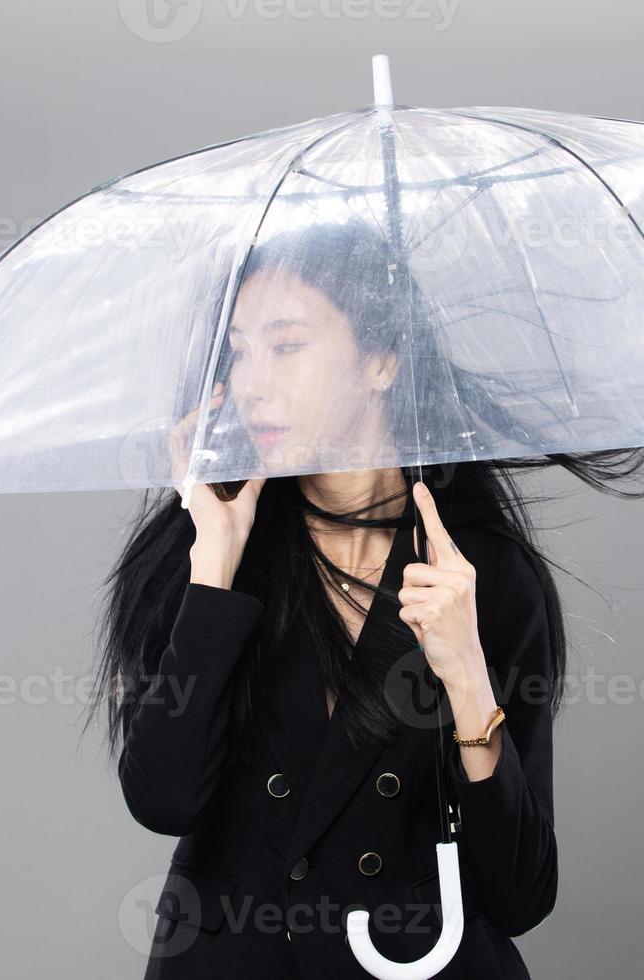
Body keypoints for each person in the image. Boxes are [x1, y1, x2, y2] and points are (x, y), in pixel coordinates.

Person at [86, 219, 644, 978]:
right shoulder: (205, 543)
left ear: (381, 362)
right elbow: (164, 800)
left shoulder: (478, 575)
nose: (252, 384)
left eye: (286, 346)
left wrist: (469, 679)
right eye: (239, 352)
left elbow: (520, 896)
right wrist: (213, 565)